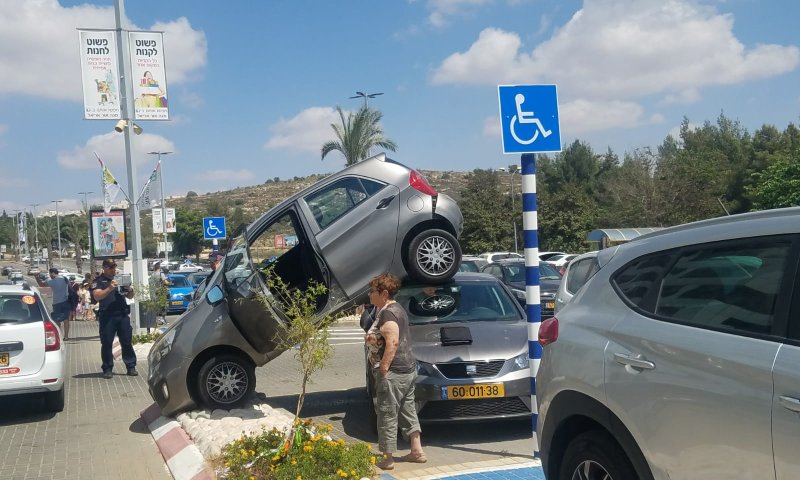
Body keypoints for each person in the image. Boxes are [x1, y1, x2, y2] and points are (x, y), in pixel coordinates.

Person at [364, 273, 426, 470]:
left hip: (393, 372)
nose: (369, 295)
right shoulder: (395, 308)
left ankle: (388, 458)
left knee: (387, 413)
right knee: (408, 410)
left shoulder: (388, 313)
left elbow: (393, 342)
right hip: (406, 369)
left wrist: (383, 367)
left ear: (383, 293)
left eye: (372, 291)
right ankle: (417, 451)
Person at [91, 259, 136, 379]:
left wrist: (130, 290)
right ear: (104, 268)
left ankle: (131, 366)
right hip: (107, 316)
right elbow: (97, 296)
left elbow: (130, 295)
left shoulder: (119, 279)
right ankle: (107, 368)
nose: (113, 270)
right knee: (106, 343)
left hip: (122, 314)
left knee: (126, 341)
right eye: (110, 267)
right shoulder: (99, 281)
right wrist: (109, 288)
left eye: (114, 267)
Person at [36, 268, 72, 339]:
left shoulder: (51, 281)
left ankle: (59, 336)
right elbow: (70, 287)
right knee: (66, 320)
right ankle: (66, 336)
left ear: (52, 273)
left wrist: (36, 277)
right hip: (66, 301)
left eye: (50, 273)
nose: (49, 275)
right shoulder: (65, 279)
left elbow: (41, 285)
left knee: (57, 320)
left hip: (56, 303)